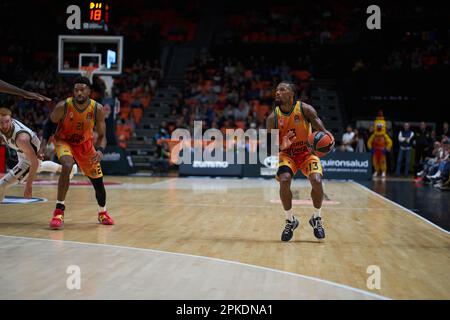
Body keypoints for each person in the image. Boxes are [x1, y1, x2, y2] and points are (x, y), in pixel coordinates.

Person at [38, 77, 114, 229]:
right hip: (64, 141)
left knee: (98, 182)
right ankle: (59, 212)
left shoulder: (97, 109)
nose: (79, 92)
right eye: (76, 90)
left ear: (89, 91)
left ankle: (102, 212)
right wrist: (43, 145)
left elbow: (102, 136)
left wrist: (100, 150)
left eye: (82, 89)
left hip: (85, 145)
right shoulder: (63, 106)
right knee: (67, 164)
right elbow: (49, 124)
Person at [266, 82, 334, 242]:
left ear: (291, 94)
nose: (277, 92)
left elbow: (323, 133)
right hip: (287, 155)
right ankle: (290, 220)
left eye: (282, 90)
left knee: (317, 181)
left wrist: (328, 142)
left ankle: (316, 218)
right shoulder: (272, 118)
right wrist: (283, 144)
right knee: (284, 180)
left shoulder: (305, 110)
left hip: (307, 153)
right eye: (276, 90)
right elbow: (268, 149)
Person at [0, 108, 76, 202]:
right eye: (1, 122)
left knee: (3, 184)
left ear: (11, 120)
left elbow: (34, 162)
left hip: (30, 155)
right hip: (22, 150)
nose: (4, 125)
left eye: (7, 122)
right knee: (39, 167)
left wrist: (29, 186)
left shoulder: (21, 139)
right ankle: (70, 169)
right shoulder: (5, 127)